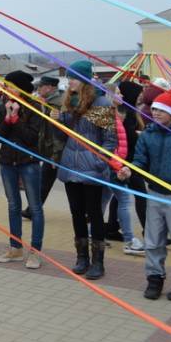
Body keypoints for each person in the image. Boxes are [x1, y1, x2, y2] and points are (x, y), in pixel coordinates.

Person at [118, 88, 171, 301]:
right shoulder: (148, 135)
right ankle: (154, 279)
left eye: (160, 111)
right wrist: (130, 169)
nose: (154, 114)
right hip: (153, 195)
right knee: (153, 241)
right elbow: (140, 160)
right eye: (153, 109)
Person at [56, 60, 117, 280]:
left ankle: (97, 261)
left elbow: (110, 139)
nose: (69, 81)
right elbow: (64, 137)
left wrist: (101, 162)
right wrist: (58, 122)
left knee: (94, 214)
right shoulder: (69, 103)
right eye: (68, 78)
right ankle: (81, 257)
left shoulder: (100, 103)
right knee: (76, 212)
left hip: (92, 168)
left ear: (83, 80)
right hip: (71, 166)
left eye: (73, 77)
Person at [0, 71, 45, 269]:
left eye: (10, 85)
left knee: (35, 206)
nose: (6, 89)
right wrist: (7, 117)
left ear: (20, 87)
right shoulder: (2, 104)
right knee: (13, 204)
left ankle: (35, 251)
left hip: (28, 161)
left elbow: (31, 137)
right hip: (7, 161)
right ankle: (15, 248)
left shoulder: (34, 106)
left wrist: (17, 118)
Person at [100, 83, 142, 255]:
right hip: (112, 166)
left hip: (114, 165)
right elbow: (108, 146)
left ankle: (92, 234)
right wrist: (118, 166)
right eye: (118, 93)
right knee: (124, 201)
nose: (122, 96)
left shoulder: (113, 115)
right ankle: (130, 240)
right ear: (110, 96)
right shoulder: (107, 116)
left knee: (102, 200)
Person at [23, 75, 64, 218]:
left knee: (45, 181)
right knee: (45, 181)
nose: (38, 89)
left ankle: (32, 210)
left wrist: (55, 154)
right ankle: (32, 209)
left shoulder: (57, 104)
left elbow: (56, 132)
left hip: (55, 150)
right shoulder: (48, 101)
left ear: (51, 87)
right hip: (49, 148)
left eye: (41, 86)